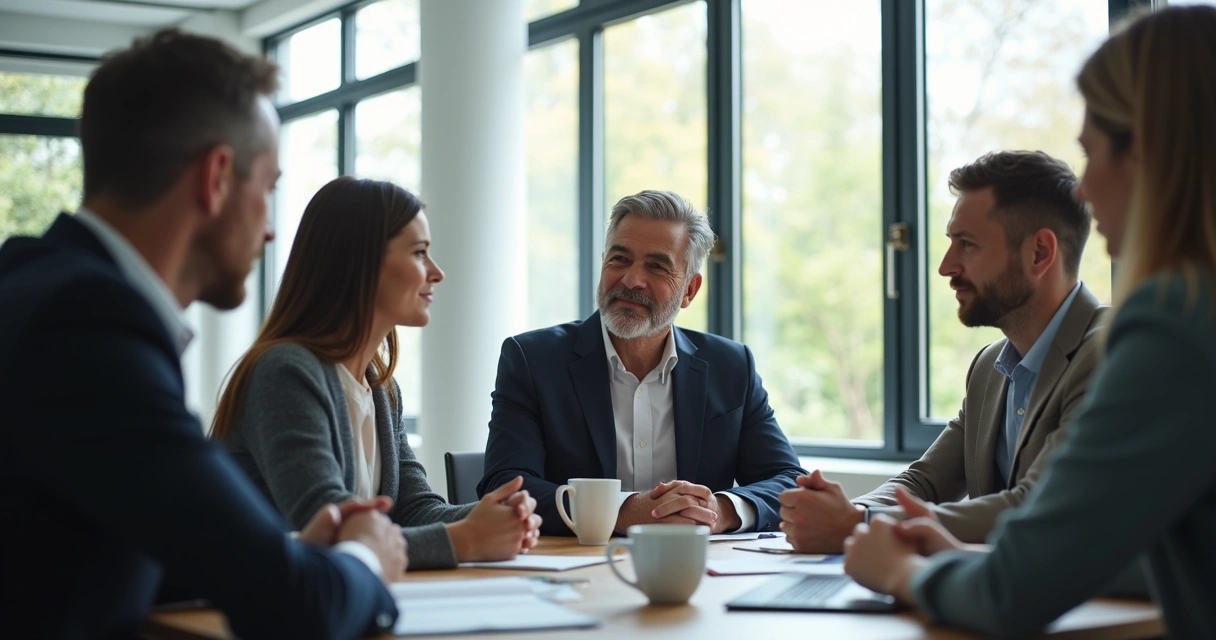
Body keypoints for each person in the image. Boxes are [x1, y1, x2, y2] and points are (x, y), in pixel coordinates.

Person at [0, 30, 407, 639]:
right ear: (216, 177)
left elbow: (102, 551)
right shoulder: (88, 327)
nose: (272, 232)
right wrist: (366, 557)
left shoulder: (34, 285)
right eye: (267, 189)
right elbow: (296, 609)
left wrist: (287, 550)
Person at [843, 6, 1216, 638]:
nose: (1088, 191)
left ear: (1148, 150)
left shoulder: (1173, 325)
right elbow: (1164, 554)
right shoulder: (994, 366)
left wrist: (900, 571)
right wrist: (959, 555)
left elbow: (1009, 595)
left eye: (1092, 154)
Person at [779, 151, 1107, 552]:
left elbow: (1036, 505)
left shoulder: (1110, 353)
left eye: (967, 245)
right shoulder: (990, 366)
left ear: (1039, 253)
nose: (946, 267)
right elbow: (925, 483)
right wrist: (840, 514)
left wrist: (858, 523)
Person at [212, 176, 541, 570]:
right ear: (360, 262)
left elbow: (414, 507)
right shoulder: (285, 373)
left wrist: (490, 517)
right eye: (419, 253)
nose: (437, 273)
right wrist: (466, 539)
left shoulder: (381, 387)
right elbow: (329, 531)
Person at [480, 190, 806, 536]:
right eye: (619, 259)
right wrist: (623, 512)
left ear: (690, 291)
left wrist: (718, 510)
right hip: (576, 573)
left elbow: (788, 482)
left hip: (698, 573)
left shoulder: (731, 366)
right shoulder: (532, 360)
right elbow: (505, 488)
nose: (632, 280)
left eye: (657, 266)